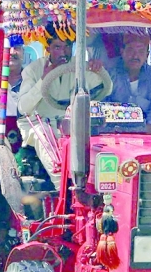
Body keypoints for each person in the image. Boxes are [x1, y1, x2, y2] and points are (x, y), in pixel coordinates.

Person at [17, 24, 111, 186]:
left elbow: (107, 89)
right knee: (43, 132)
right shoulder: (34, 69)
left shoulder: (79, 65)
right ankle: (62, 187)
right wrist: (43, 80)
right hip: (41, 123)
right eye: (57, 47)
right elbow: (23, 108)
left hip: (71, 124)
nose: (63, 52)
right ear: (48, 49)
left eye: (67, 46)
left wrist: (97, 70)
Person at [104, 33, 151, 133]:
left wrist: (149, 128)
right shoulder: (111, 73)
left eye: (141, 51)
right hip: (113, 131)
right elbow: (101, 104)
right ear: (122, 52)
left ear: (147, 55)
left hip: (146, 131)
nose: (135, 56)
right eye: (130, 50)